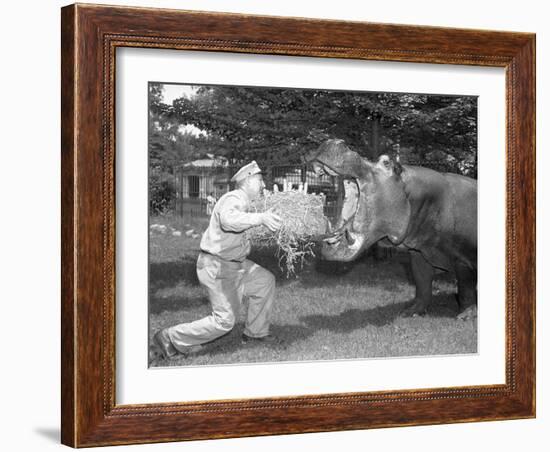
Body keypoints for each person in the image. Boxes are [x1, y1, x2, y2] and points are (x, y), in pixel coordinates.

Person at [153, 161, 282, 359]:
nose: (263, 185)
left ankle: (255, 333)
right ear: (247, 181)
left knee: (264, 281)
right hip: (217, 267)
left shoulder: (246, 203)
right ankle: (170, 337)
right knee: (224, 322)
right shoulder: (233, 198)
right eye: (259, 180)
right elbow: (228, 220)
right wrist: (261, 218)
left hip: (235, 264)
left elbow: (240, 228)